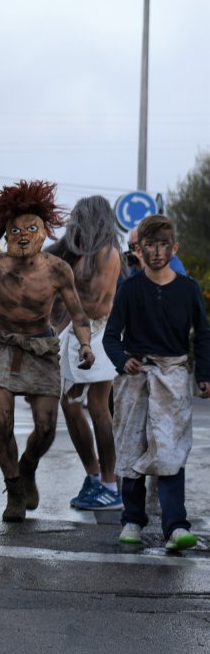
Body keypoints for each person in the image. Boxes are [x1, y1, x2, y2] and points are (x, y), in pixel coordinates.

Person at [0, 180, 93, 522]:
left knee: (46, 427)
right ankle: (14, 489)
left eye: (30, 228)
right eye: (15, 229)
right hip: (0, 346)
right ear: (5, 232)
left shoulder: (57, 269)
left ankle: (27, 466)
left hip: (41, 348)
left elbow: (78, 314)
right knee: (1, 419)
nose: (22, 235)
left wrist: (86, 345)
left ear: (43, 231)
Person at [104, 214, 209, 550]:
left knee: (170, 449)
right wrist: (123, 361)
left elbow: (203, 336)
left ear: (174, 247)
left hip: (174, 377)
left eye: (164, 245)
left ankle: (175, 527)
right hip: (135, 380)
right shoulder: (130, 289)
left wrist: (204, 375)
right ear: (140, 250)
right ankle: (132, 520)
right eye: (150, 245)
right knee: (132, 448)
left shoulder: (188, 289)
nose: (158, 251)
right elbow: (110, 337)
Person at [44, 196, 124, 510]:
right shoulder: (77, 252)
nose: (74, 221)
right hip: (76, 334)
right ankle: (94, 477)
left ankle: (110, 483)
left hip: (100, 333)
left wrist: (62, 323)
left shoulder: (107, 253)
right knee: (71, 404)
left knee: (98, 407)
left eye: (80, 216)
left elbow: (93, 303)